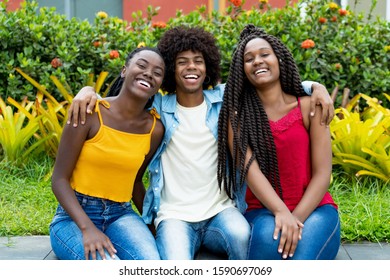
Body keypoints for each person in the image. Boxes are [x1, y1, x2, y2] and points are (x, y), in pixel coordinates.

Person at [67, 26, 334, 260]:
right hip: (174, 216)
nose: (191, 67)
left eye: (198, 61)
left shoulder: (223, 101)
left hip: (220, 211)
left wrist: (314, 87)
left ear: (208, 68)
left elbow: (264, 78)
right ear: (171, 70)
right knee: (175, 266)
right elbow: (126, 98)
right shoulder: (158, 108)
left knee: (243, 238)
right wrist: (87, 92)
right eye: (182, 61)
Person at [217, 24, 340, 260]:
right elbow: (251, 173)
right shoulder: (237, 117)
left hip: (316, 210)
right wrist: (281, 212)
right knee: (264, 259)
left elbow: (323, 173)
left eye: (265, 54)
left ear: (279, 59)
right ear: (242, 70)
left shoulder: (310, 107)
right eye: (249, 58)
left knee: (300, 262)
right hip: (263, 211)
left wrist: (295, 219)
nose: (258, 61)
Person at [49, 46, 165, 260]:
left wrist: (151, 224)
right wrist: (87, 229)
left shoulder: (154, 129)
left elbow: (136, 182)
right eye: (141, 65)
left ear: (159, 84)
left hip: (121, 214)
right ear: (124, 70)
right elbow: (59, 180)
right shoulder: (89, 112)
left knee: (151, 264)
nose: (149, 73)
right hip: (72, 219)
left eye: (157, 73)